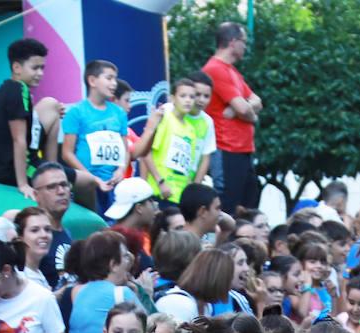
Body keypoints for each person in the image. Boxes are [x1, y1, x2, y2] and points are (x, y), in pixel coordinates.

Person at [0, 38, 79, 201]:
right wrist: (22, 184)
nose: (40, 73)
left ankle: (52, 168)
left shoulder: (10, 89)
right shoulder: (18, 90)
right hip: (12, 171)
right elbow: (18, 140)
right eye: (35, 68)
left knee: (52, 105)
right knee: (88, 182)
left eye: (42, 68)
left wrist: (55, 111)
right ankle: (52, 176)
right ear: (17, 67)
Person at [203, 22, 262, 214]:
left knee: (249, 200)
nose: (245, 46)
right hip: (226, 147)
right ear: (233, 42)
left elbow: (256, 102)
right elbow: (243, 109)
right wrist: (245, 112)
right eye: (243, 41)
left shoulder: (232, 71)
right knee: (228, 204)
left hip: (242, 149)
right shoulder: (216, 69)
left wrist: (244, 110)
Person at [133, 74, 218, 202]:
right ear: (173, 98)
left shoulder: (193, 128)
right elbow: (146, 151)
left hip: (180, 193)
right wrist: (149, 184)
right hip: (158, 189)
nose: (198, 100)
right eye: (184, 96)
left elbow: (200, 159)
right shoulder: (165, 113)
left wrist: (193, 188)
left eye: (192, 96)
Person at [61, 59, 129, 213]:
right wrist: (90, 178)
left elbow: (125, 149)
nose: (114, 84)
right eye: (109, 78)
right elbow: (67, 153)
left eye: (115, 79)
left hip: (114, 185)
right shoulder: (76, 112)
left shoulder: (119, 113)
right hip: (87, 186)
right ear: (92, 80)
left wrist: (120, 170)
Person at [29, 163, 75, 288]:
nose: (61, 191)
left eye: (64, 185)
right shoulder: (30, 236)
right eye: (51, 187)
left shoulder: (67, 233)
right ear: (35, 194)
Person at [13, 206, 53, 288]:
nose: (44, 235)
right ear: (20, 237)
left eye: (47, 229)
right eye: (35, 230)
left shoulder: (36, 272)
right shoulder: (19, 277)